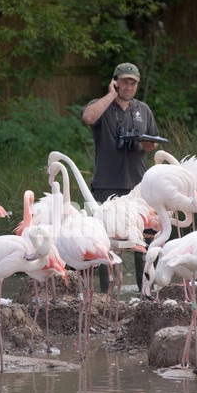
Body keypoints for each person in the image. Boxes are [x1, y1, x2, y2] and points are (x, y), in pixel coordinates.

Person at [80, 62, 159, 293]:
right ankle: (106, 295)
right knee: (105, 243)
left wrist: (148, 144)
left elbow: (152, 142)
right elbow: (87, 117)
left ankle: (144, 294)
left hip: (138, 188)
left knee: (143, 242)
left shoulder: (143, 109)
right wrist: (109, 95)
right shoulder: (101, 106)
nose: (128, 86)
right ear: (115, 82)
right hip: (107, 185)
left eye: (133, 82)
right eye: (124, 81)